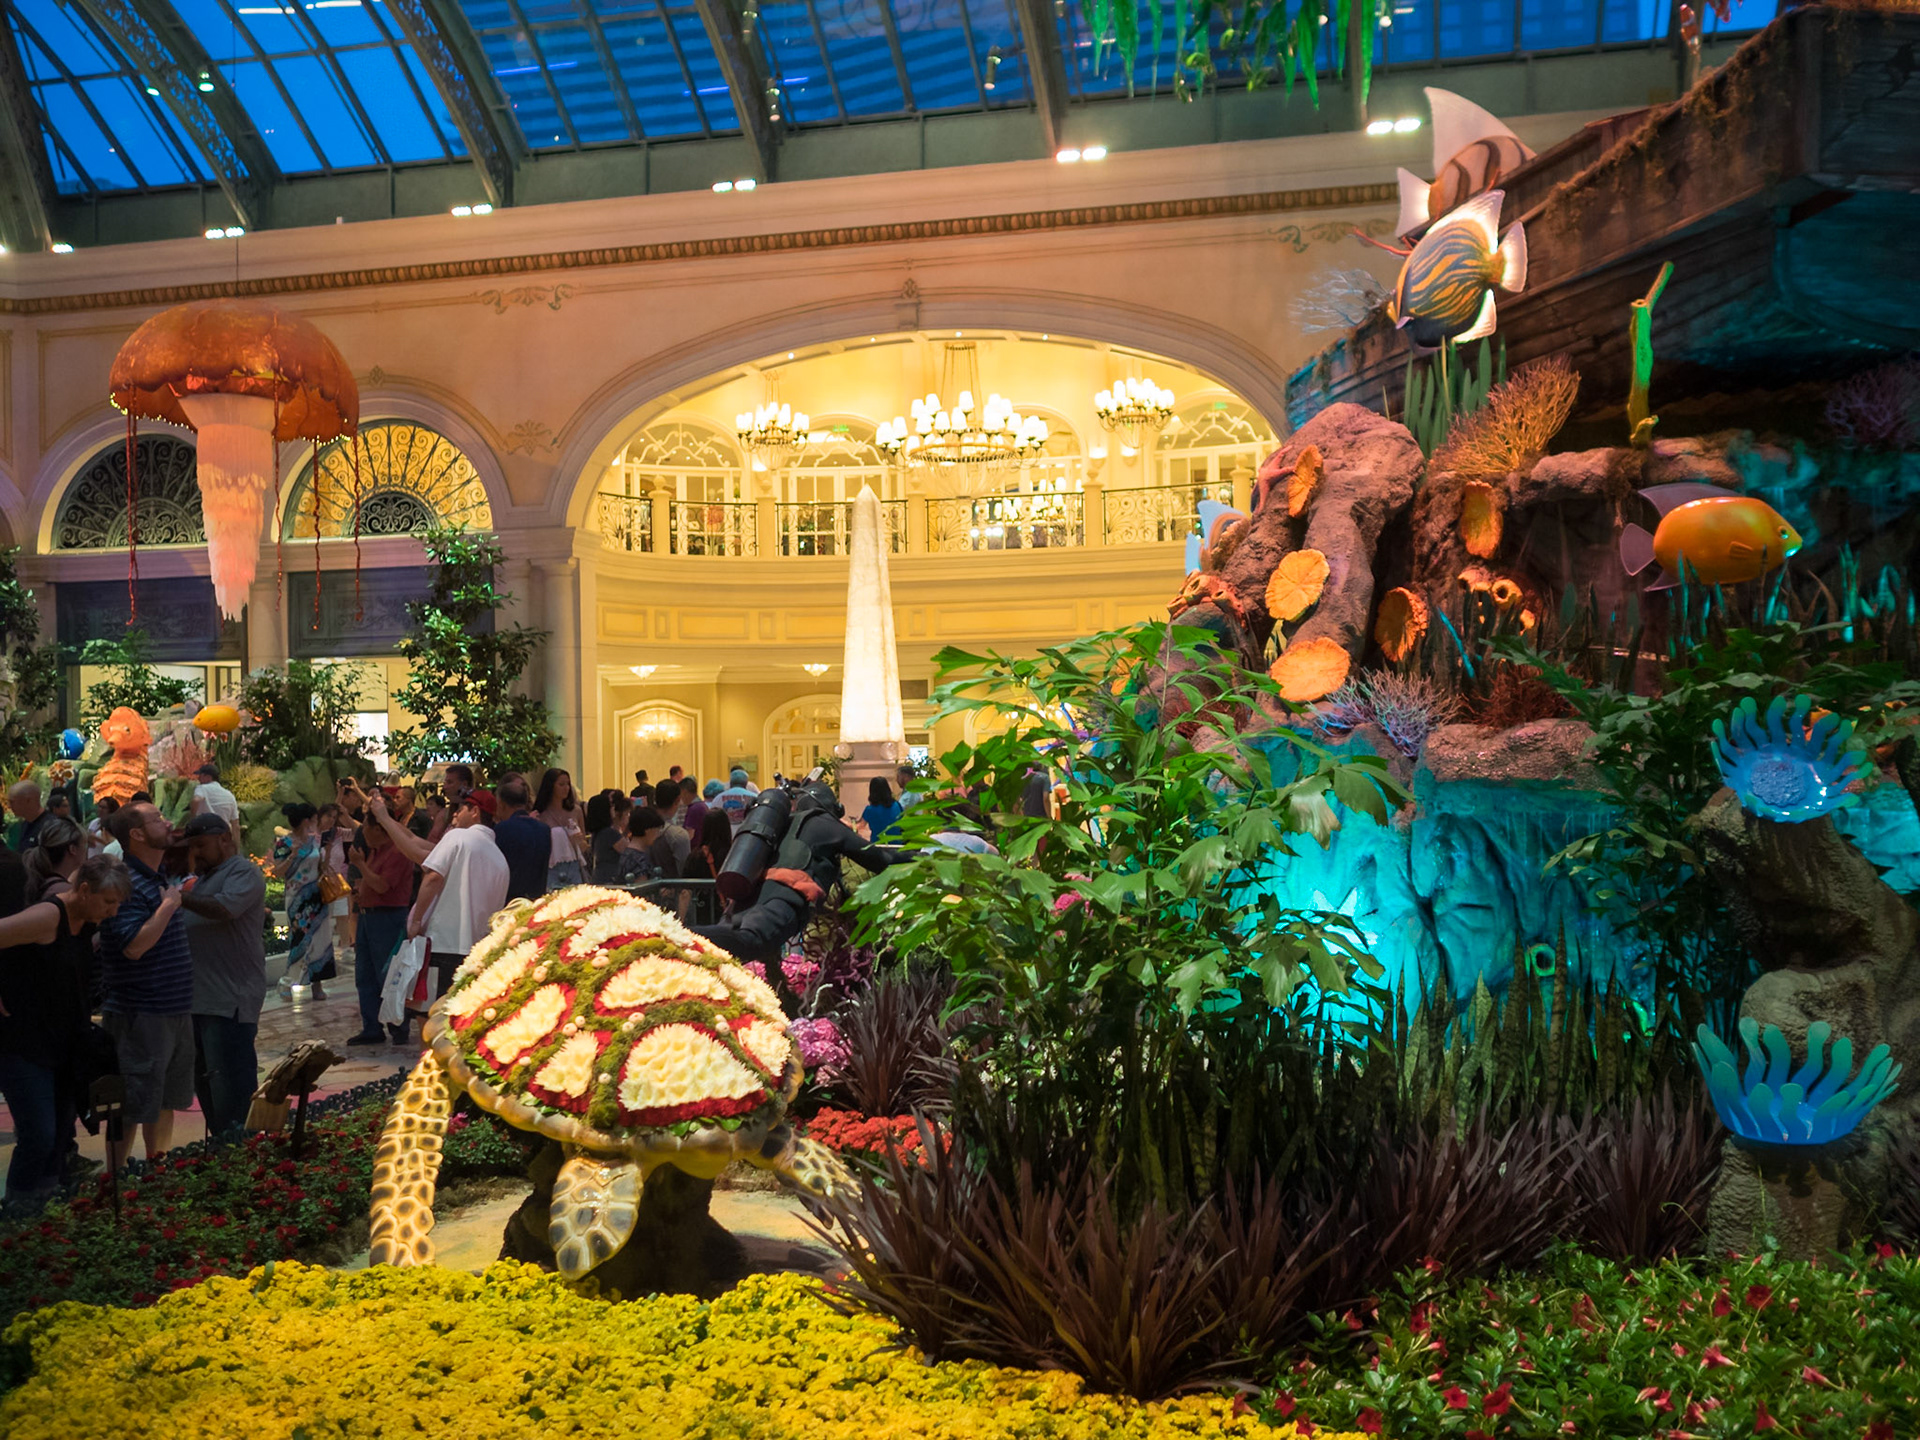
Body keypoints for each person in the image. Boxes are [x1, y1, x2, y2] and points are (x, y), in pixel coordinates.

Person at [0, 854, 130, 1211]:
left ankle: (44, 1214)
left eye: (117, 904)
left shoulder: (85, 918)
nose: (113, 912)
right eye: (108, 903)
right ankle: (17, 1213)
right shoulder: (48, 916)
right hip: (23, 1044)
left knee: (58, 1136)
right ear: (85, 891)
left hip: (65, 1044)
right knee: (39, 1134)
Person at [98, 802, 193, 1168]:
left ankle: (158, 1173)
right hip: (141, 1013)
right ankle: (116, 1184)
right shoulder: (124, 883)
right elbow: (134, 946)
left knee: (164, 1098)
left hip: (172, 1007)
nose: (167, 822)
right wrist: (169, 905)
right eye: (157, 819)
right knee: (132, 1103)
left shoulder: (155, 876)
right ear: (136, 834)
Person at [179, 814, 266, 1140]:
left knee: (232, 1087)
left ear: (225, 840)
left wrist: (179, 898)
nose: (196, 853)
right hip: (200, 1001)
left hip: (230, 1002)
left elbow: (225, 908)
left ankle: (245, 1156)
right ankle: (223, 1153)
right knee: (208, 1085)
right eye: (192, 847)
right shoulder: (202, 879)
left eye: (201, 846)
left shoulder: (242, 871)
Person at [406, 789, 509, 1015]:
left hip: (443, 943)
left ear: (475, 812)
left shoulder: (457, 837)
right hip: (478, 951)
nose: (453, 816)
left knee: (431, 1016)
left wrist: (416, 920)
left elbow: (433, 876)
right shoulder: (500, 858)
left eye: (459, 809)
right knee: (462, 1017)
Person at [345, 817, 414, 1047]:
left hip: (388, 917)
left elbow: (383, 885)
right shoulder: (375, 851)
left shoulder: (396, 851)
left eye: (365, 827)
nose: (362, 832)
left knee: (389, 973)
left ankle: (398, 1026)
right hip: (369, 916)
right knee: (365, 974)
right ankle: (371, 1026)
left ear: (377, 828)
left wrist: (360, 864)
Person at [276, 802, 334, 998]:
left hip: (316, 895)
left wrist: (329, 851)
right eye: (314, 820)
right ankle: (287, 982)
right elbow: (277, 872)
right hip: (296, 898)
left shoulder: (315, 841)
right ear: (306, 821)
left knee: (321, 939)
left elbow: (320, 867)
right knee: (299, 940)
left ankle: (317, 985)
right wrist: (292, 856)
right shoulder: (284, 843)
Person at [492, 778, 549, 903]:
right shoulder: (544, 829)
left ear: (501, 804)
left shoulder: (502, 829)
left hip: (510, 899)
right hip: (537, 896)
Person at [534, 768, 586, 890]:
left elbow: (584, 843)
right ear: (551, 786)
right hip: (551, 867)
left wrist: (580, 842)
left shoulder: (576, 811)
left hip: (573, 865)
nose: (566, 788)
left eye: (568, 784)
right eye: (561, 784)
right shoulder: (541, 814)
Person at [24, 816, 86, 902]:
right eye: (84, 845)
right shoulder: (65, 893)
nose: (86, 851)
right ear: (73, 849)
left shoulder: (42, 882)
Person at [587, 791, 632, 885]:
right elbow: (629, 851)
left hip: (600, 877)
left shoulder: (599, 832)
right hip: (609, 879)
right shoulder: (609, 833)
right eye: (611, 806)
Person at [616, 807, 666, 885]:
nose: (657, 834)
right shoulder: (640, 860)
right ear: (648, 830)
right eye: (657, 830)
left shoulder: (626, 853)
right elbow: (643, 890)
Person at [651, 778, 690, 875]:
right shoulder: (678, 835)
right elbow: (684, 870)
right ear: (677, 800)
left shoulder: (640, 828)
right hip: (671, 888)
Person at [190, 764, 240, 828]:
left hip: (204, 834)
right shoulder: (230, 795)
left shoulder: (202, 788)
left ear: (208, 777)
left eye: (201, 776)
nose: (198, 778)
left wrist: (192, 821)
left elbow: (196, 800)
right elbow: (236, 825)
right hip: (223, 835)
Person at [6, 780, 47, 852]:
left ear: (28, 801)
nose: (9, 806)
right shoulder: (23, 825)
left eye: (12, 802)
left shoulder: (50, 827)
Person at [861, 775, 904, 842]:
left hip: (878, 845)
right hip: (897, 844)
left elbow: (860, 826)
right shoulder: (897, 805)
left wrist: (842, 822)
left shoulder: (869, 810)